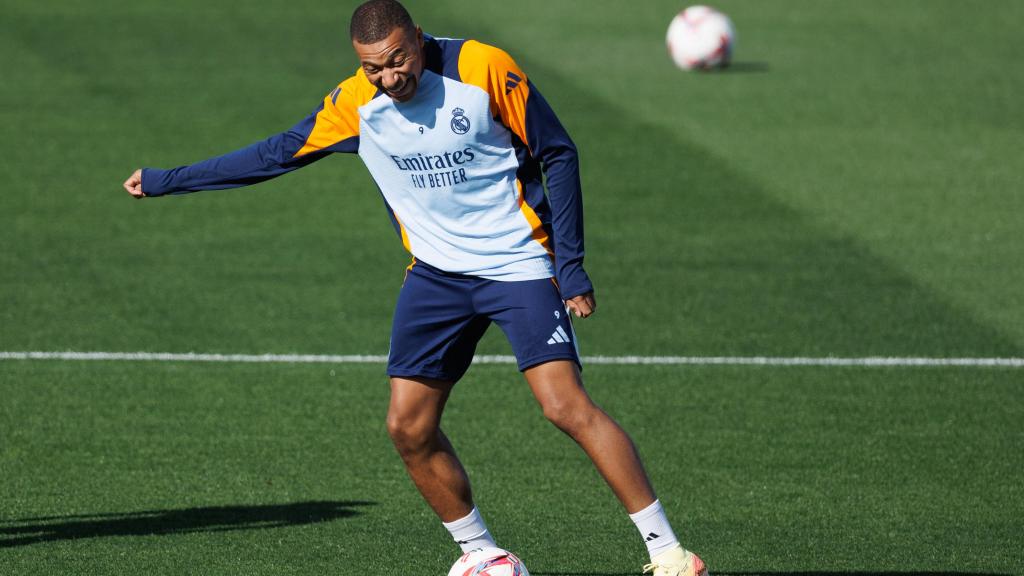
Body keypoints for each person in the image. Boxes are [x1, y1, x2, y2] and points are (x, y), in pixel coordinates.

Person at [121, 1, 707, 574]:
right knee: (408, 426)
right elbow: (274, 154)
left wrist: (571, 265)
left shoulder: (482, 68)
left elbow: (557, 151)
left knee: (563, 406)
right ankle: (483, 553)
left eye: (397, 59)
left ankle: (669, 554)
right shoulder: (356, 103)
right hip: (435, 275)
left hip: (518, 263)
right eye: (373, 66)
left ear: (417, 38)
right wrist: (168, 181)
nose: (389, 76)